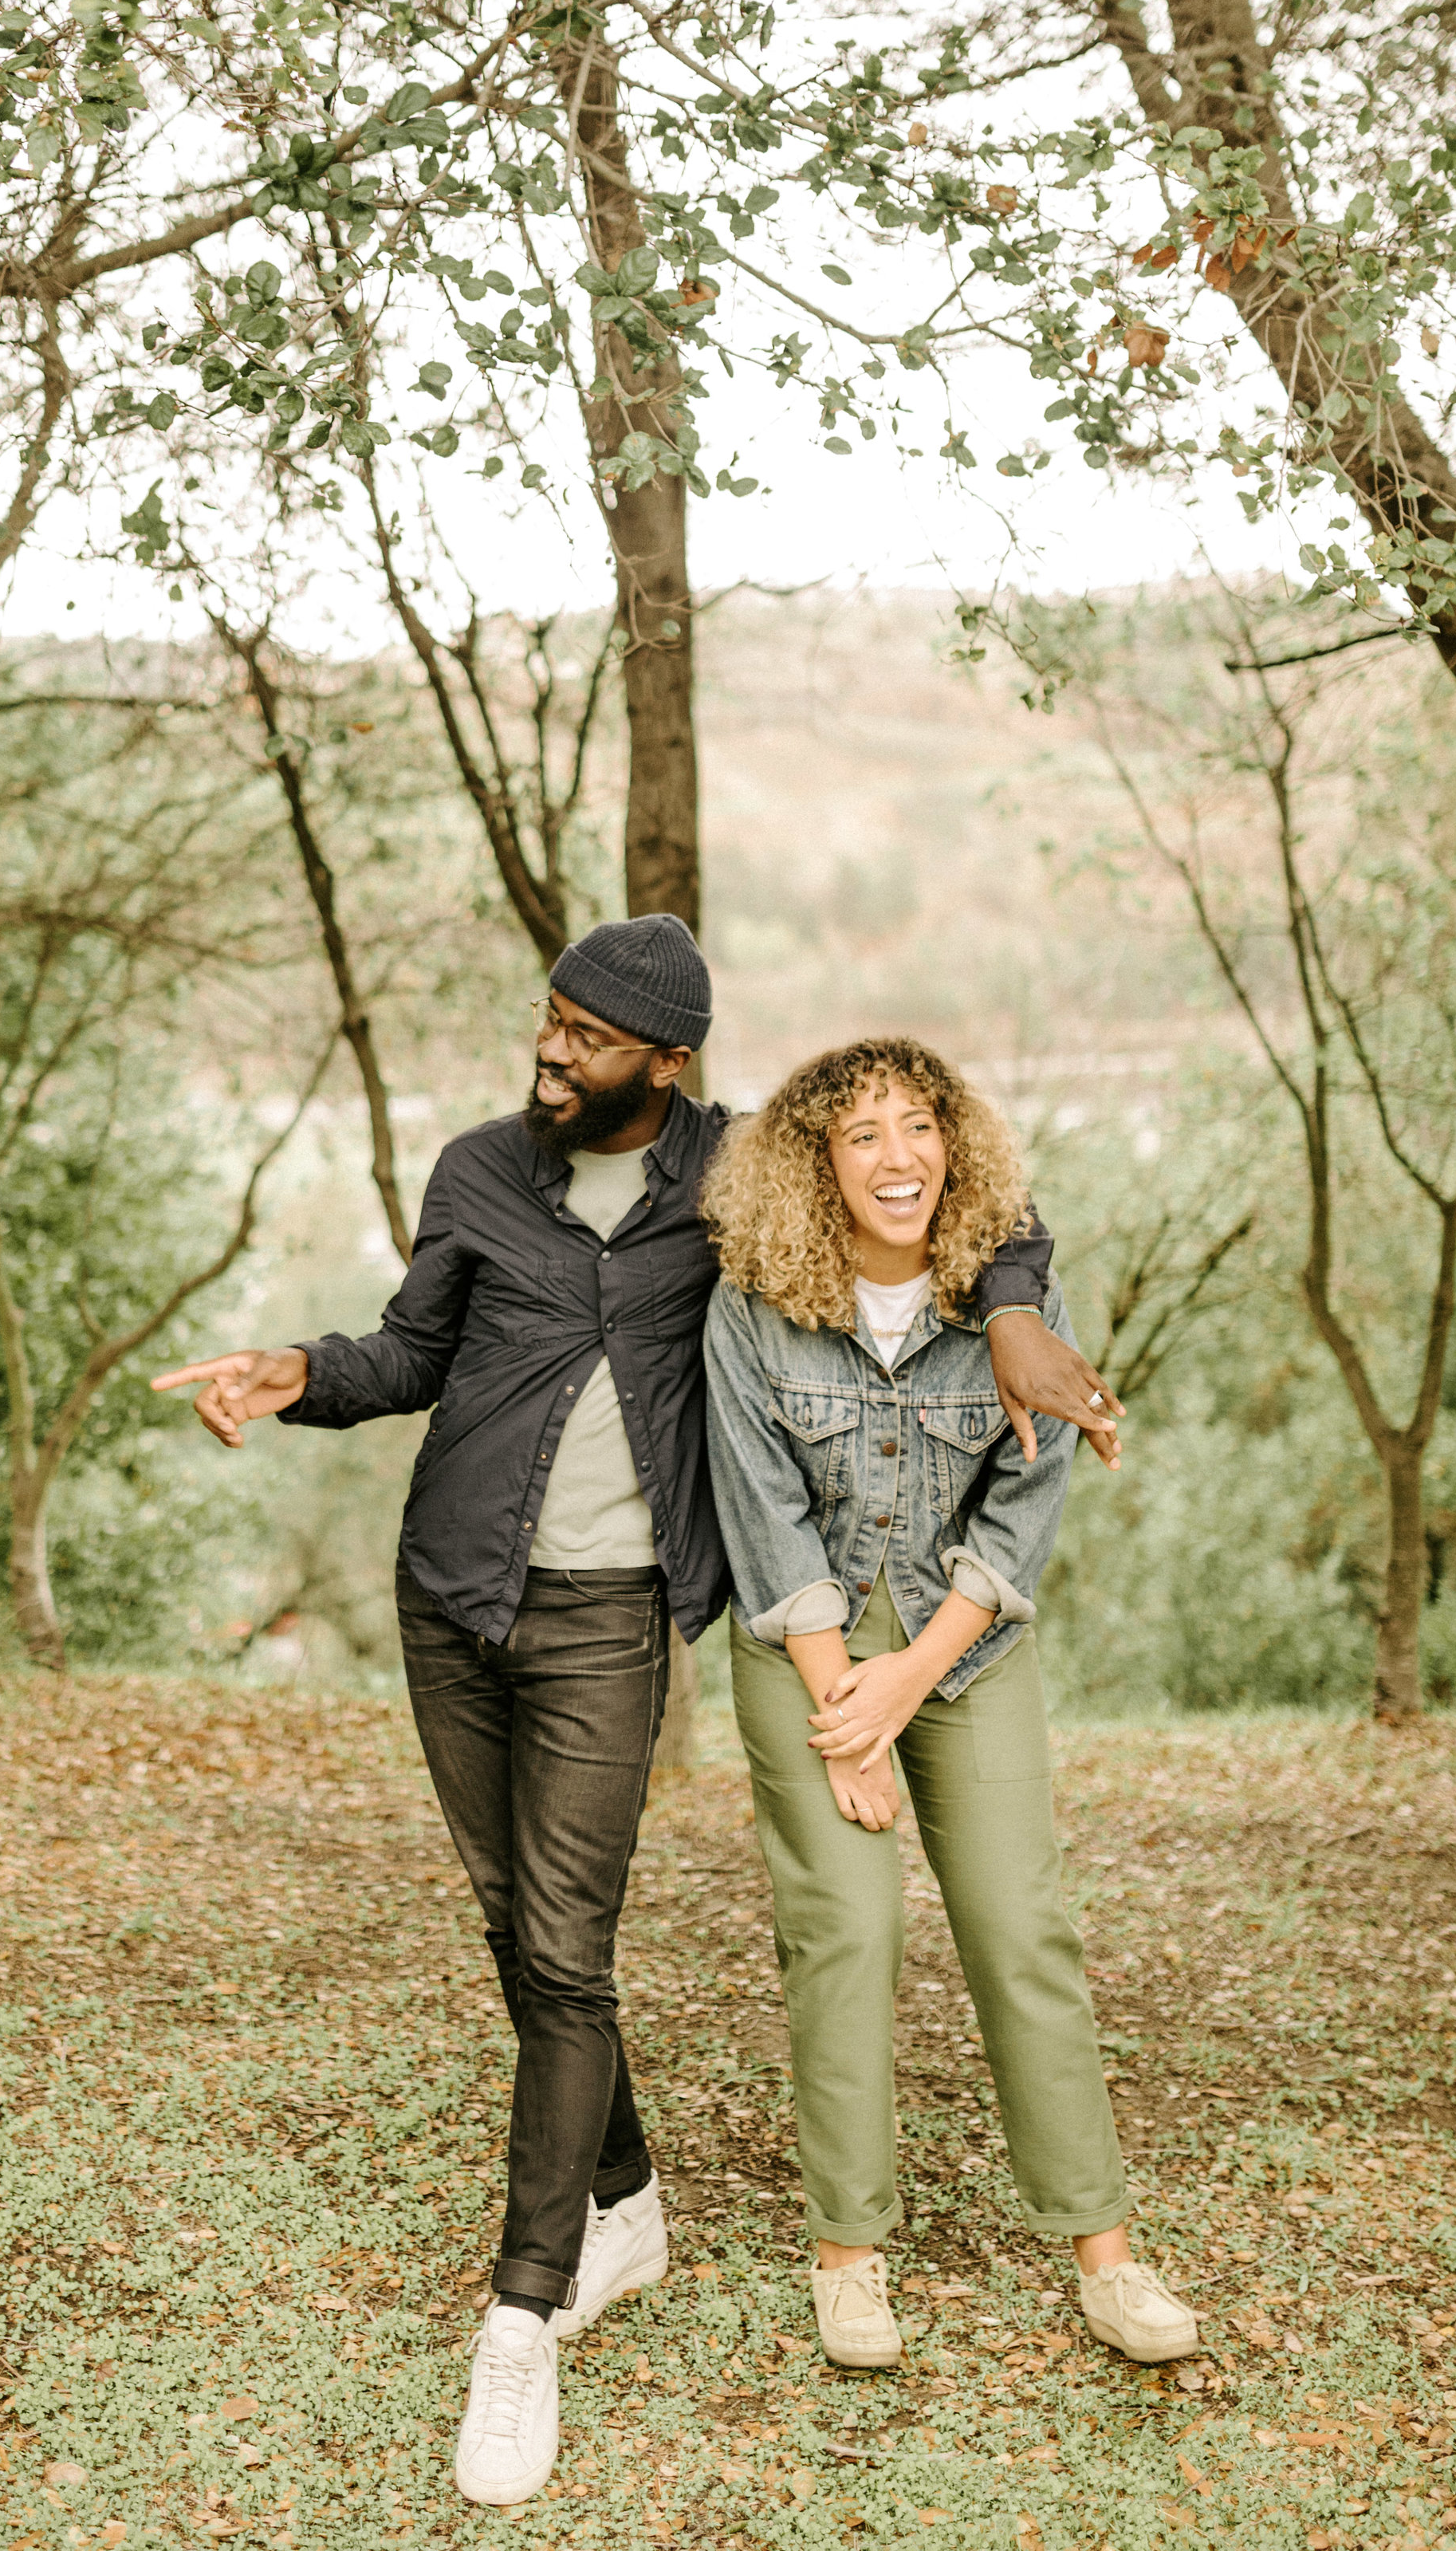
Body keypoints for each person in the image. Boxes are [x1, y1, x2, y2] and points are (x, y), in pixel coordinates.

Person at [152, 922, 1121, 2506]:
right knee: (511, 1928)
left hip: (612, 1620)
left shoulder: (738, 1173)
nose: (551, 1050)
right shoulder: (477, 1170)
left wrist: (1016, 1307)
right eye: (551, 1019)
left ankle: (521, 2314)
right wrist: (292, 1372)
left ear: (664, 1063)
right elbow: (410, 1348)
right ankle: (625, 2199)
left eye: (587, 1035)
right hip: (451, 1591)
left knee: (563, 1947)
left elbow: (940, 1194)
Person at [702, 1037, 1196, 2376]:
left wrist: (907, 1684)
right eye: (861, 1133)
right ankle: (849, 2260)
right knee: (847, 1930)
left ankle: (1105, 2253)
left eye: (918, 1124)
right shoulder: (753, 1301)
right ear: (817, 1161)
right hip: (805, 1636)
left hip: (961, 1644)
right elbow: (761, 1515)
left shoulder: (1011, 1313)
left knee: (1020, 1925)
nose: (897, 1155)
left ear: (955, 1146)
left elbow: (1018, 1516)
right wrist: (838, 1708)